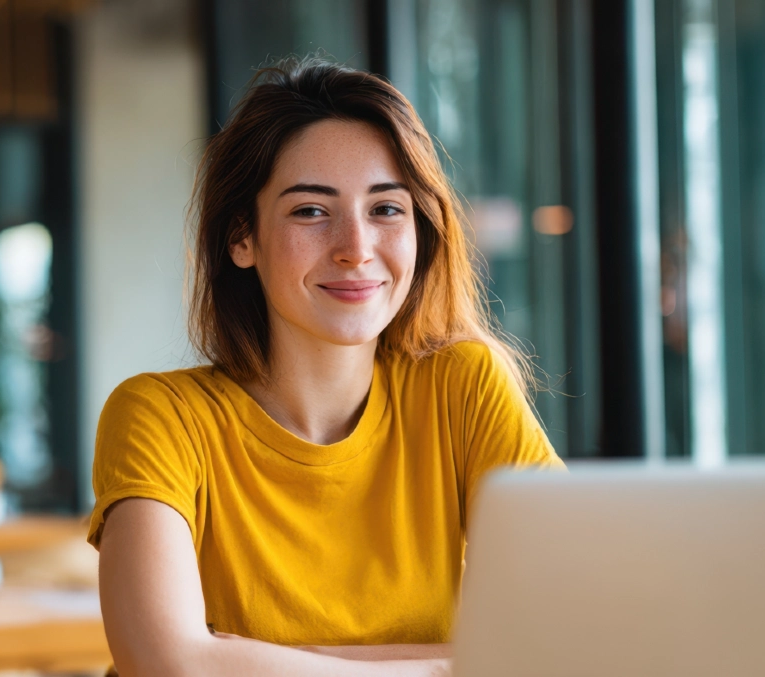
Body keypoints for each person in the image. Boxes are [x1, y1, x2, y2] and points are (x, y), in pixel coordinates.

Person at [87, 58, 564, 677]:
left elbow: (565, 629)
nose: (356, 247)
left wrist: (248, 659)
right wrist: (454, 667)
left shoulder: (463, 385)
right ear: (241, 238)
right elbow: (167, 661)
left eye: (387, 209)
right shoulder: (159, 416)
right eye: (311, 211)